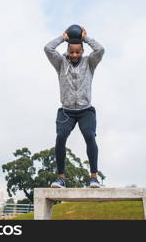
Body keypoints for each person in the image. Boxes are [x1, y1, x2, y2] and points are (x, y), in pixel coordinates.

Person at [44, 24, 105, 188]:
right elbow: (48, 49)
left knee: (89, 135)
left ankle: (93, 177)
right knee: (60, 137)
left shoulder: (90, 63)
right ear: (67, 51)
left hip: (86, 111)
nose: (75, 54)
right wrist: (62, 38)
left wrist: (85, 38)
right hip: (67, 112)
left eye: (78, 52)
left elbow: (100, 50)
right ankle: (61, 178)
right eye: (71, 52)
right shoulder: (61, 63)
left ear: (83, 51)